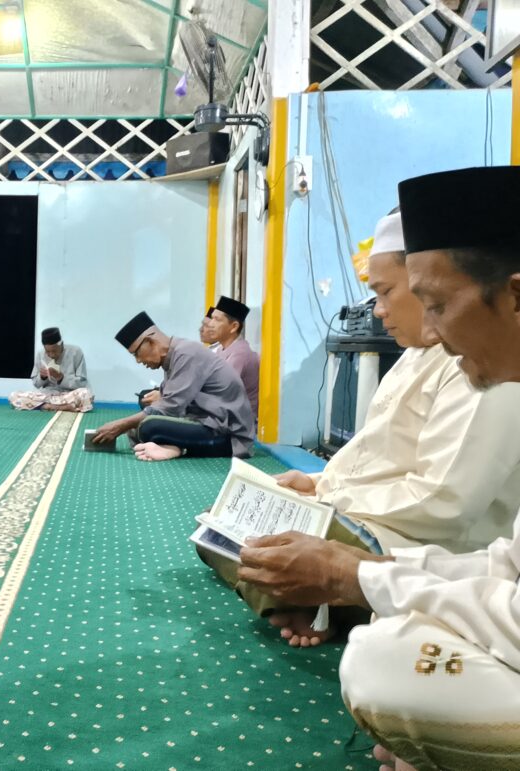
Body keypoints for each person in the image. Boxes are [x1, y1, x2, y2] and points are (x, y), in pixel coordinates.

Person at [237, 167, 520, 770]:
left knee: (382, 666)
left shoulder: (494, 377)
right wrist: (361, 563)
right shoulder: (438, 358)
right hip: (419, 549)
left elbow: (445, 503)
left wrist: (358, 576)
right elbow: (508, 567)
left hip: (425, 533)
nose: (432, 328)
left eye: (434, 303)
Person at [203, 211, 520, 647]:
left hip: (413, 536)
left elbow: (443, 502)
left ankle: (318, 596)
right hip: (373, 519)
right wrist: (318, 482)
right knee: (221, 530)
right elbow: (373, 454)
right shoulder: (418, 355)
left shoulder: (489, 362)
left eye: (387, 292)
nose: (379, 310)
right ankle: (310, 599)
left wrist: (330, 503)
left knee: (258, 545)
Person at [92, 311, 255, 459]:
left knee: (149, 426)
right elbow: (171, 398)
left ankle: (177, 448)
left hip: (228, 436)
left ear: (150, 341)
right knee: (145, 406)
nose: (138, 360)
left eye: (137, 353)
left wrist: (120, 425)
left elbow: (171, 407)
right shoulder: (175, 354)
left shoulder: (186, 353)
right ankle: (171, 445)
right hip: (207, 421)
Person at [139, 307, 217, 408]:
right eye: (202, 325)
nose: (201, 329)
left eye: (207, 326)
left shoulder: (190, 352)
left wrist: (164, 397)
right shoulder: (210, 349)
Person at [8, 327, 93, 412]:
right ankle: (57, 407)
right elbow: (36, 384)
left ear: (61, 344)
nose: (51, 355)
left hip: (68, 395)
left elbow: (82, 383)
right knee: (14, 396)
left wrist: (61, 378)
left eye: (54, 351)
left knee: (86, 394)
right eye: (48, 352)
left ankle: (45, 407)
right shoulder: (40, 354)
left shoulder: (76, 352)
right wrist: (42, 377)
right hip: (46, 396)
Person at [210, 296, 260, 416]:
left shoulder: (240, 354)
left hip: (235, 422)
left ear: (234, 327)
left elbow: (218, 392)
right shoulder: (220, 349)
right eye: (212, 318)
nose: (210, 324)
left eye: (217, 320)